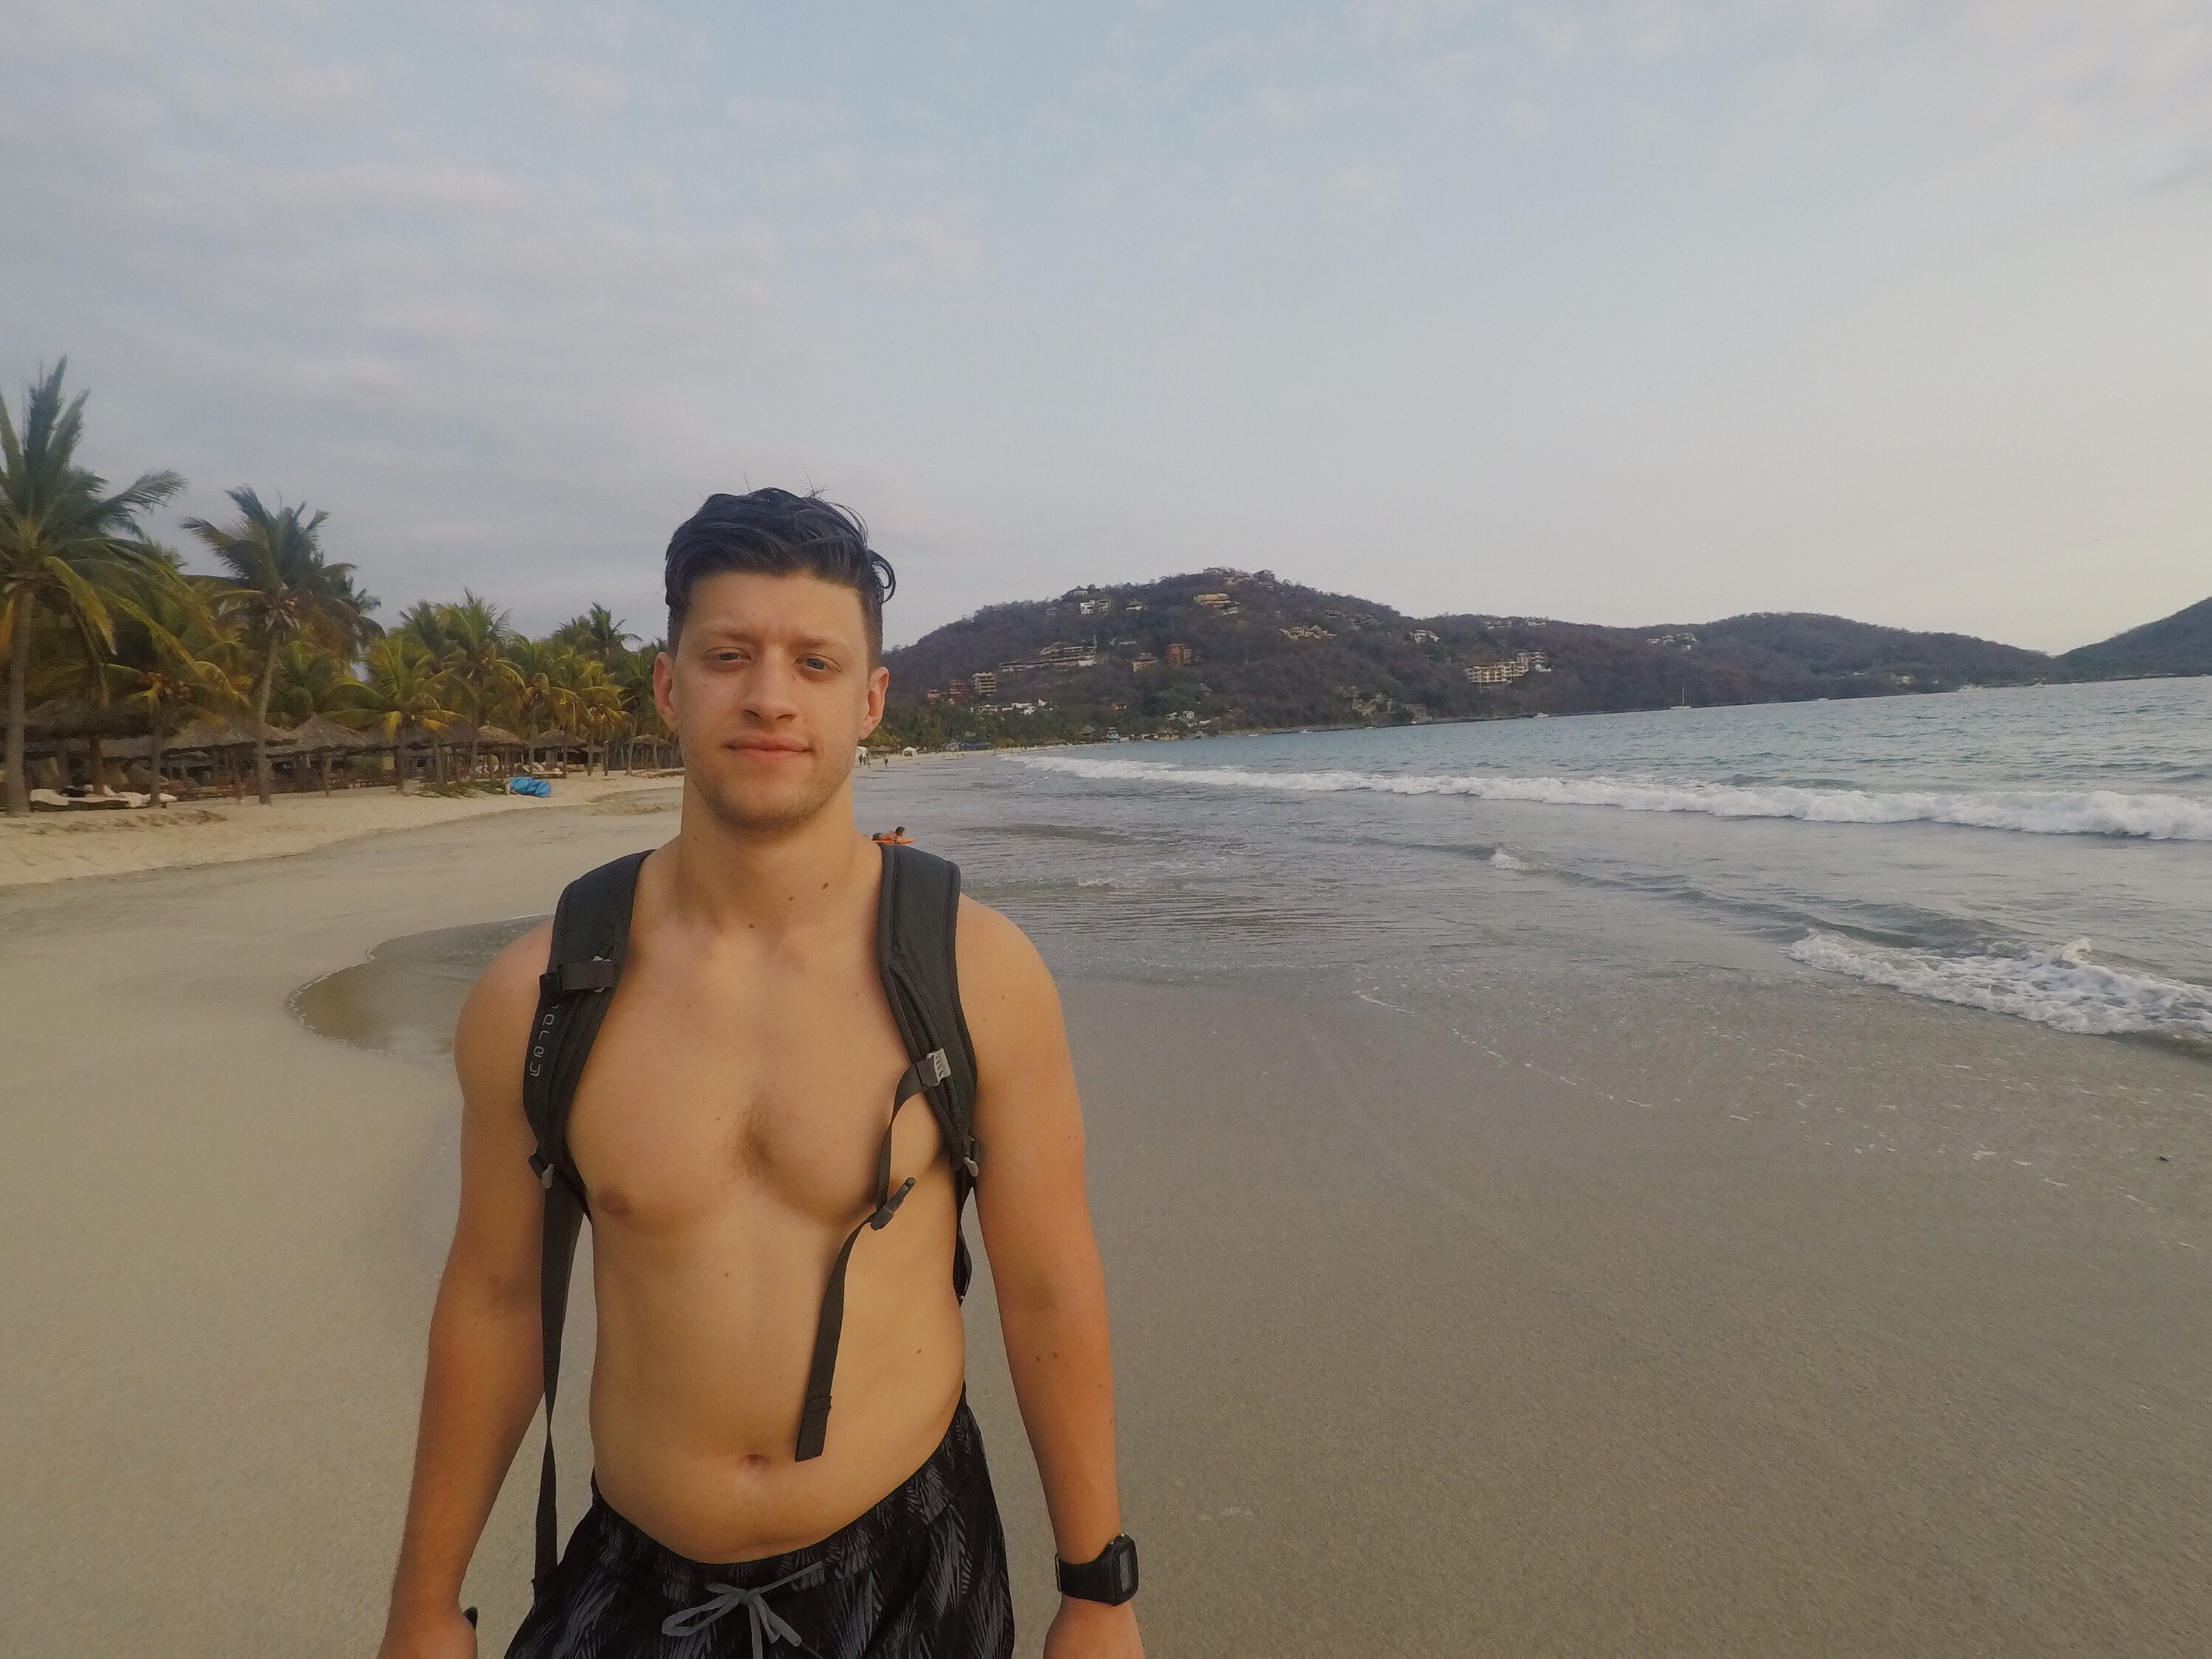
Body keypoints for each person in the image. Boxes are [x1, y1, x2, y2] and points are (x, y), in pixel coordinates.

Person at [377, 490, 1144, 1659]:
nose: (771, 694)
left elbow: (1046, 1283)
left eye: (815, 661)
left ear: (869, 700)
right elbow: (493, 1299)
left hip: (910, 1562)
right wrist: (423, 1606)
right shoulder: (543, 992)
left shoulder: (977, 972)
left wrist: (1097, 1590)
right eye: (729, 655)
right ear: (669, 686)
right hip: (638, 1568)